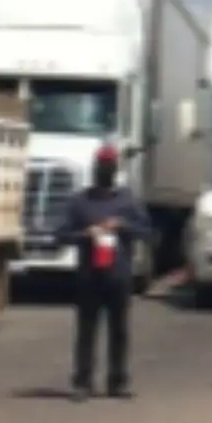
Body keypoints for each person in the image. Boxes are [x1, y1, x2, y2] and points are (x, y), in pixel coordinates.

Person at [59, 145, 151, 401]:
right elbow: (62, 235)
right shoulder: (81, 201)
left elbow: (146, 232)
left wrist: (122, 225)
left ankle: (118, 381)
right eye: (101, 166)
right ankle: (83, 381)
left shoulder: (128, 201)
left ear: (116, 170)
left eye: (109, 166)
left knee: (119, 330)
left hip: (118, 276)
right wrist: (86, 234)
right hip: (89, 275)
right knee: (86, 331)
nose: (104, 171)